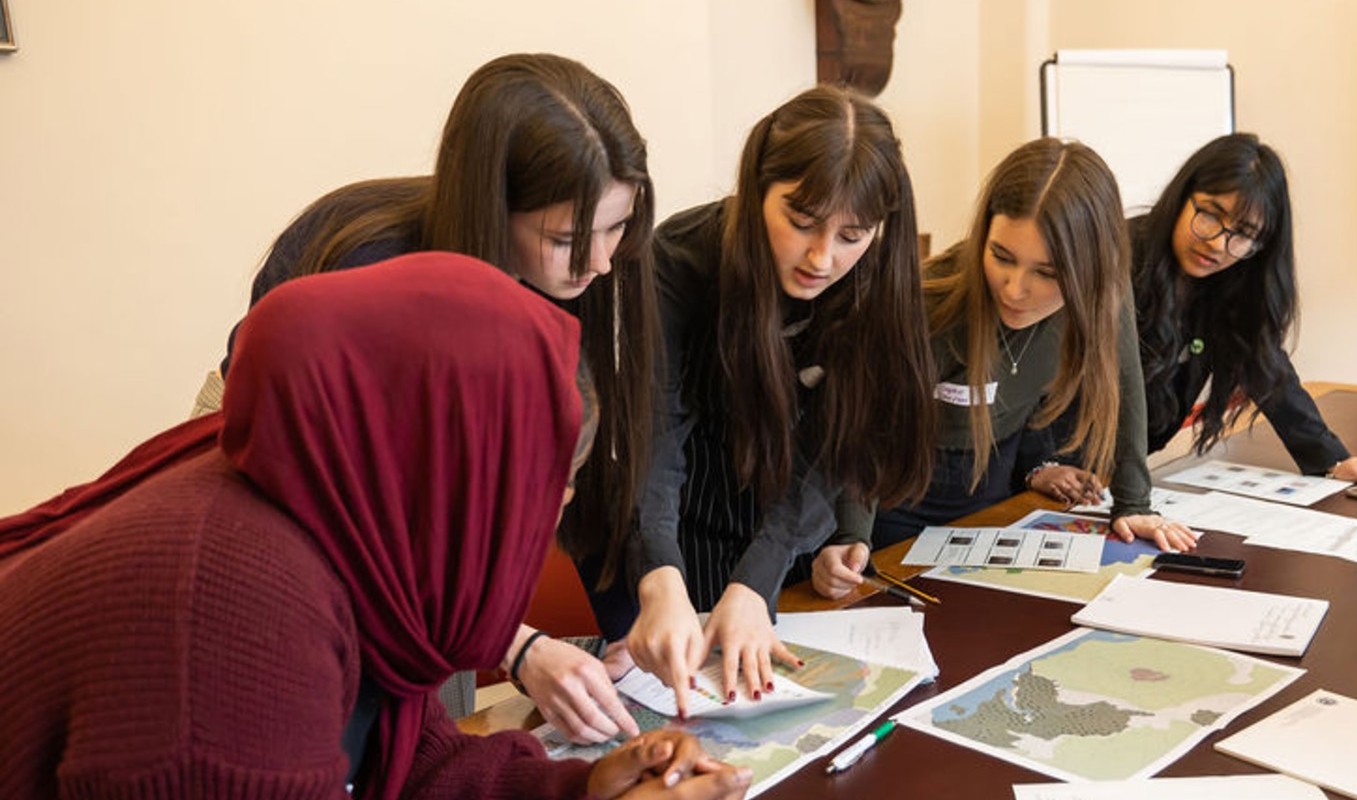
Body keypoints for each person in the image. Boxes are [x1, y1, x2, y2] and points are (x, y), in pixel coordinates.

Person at [0, 254, 748, 800]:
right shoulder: (231, 620)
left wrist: (576, 792)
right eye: (554, 484)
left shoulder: (338, 518)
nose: (555, 512)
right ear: (456, 474)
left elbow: (405, 759)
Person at [225, 52, 659, 745]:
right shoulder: (366, 267)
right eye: (569, 239)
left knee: (439, 727)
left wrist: (634, 622)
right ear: (494, 209)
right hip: (290, 512)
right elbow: (362, 537)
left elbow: (589, 470)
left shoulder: (584, 273)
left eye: (620, 228)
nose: (603, 262)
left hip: (400, 540)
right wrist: (517, 647)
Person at [628, 85, 937, 717]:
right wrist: (661, 576)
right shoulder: (681, 262)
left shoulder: (877, 280)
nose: (823, 258)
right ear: (757, 189)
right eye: (800, 223)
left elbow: (841, 441)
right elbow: (656, 435)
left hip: (784, 519)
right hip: (675, 514)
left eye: (853, 235)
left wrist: (757, 580)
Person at [1025, 134, 1357, 508]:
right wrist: (1039, 465)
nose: (1217, 243)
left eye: (1244, 234)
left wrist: (1332, 461)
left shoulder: (1231, 284)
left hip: (1114, 484)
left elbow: (1267, 367)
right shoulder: (1116, 257)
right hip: (1049, 473)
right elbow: (1031, 370)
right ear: (1184, 195)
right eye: (1210, 214)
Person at [859, 137, 1198, 553]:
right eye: (1001, 256)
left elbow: (1125, 381)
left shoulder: (1105, 288)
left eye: (1047, 272)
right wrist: (850, 538)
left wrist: (1133, 503)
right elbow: (864, 434)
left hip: (994, 501)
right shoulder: (928, 299)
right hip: (897, 502)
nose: (1015, 289)